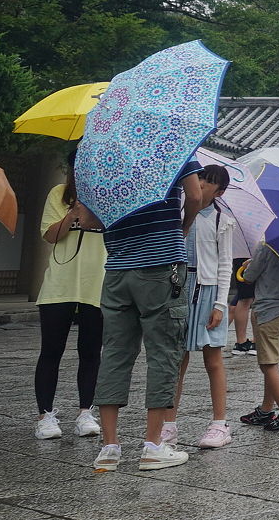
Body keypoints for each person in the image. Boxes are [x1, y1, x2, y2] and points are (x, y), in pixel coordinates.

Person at [84, 160, 223, 473]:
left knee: (115, 354)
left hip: (117, 270)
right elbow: (196, 197)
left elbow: (90, 216)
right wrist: (182, 226)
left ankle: (109, 448)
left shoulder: (99, 156)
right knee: (163, 353)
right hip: (160, 266)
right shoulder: (174, 145)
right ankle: (153, 446)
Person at [34, 153, 105, 441]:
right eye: (81, 165)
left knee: (91, 353)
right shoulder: (58, 194)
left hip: (97, 283)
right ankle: (45, 416)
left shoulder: (109, 195)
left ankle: (85, 412)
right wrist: (72, 215)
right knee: (51, 351)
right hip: (60, 284)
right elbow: (50, 235)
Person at [169, 163, 234, 450]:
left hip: (208, 291)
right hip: (180, 287)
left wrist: (220, 305)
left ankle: (219, 423)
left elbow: (225, 265)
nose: (202, 184)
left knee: (213, 360)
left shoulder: (223, 220)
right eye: (200, 179)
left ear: (219, 190)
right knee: (176, 360)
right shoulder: (180, 212)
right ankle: (168, 423)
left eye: (208, 182)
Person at [239, 239, 279, 432]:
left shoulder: (267, 245)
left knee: (267, 364)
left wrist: (248, 264)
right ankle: (266, 409)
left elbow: (249, 276)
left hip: (269, 310)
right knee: (273, 362)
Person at [229, 251, 256, 354]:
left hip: (239, 256)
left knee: (244, 299)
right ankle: (257, 343)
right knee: (257, 300)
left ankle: (241, 342)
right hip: (256, 255)